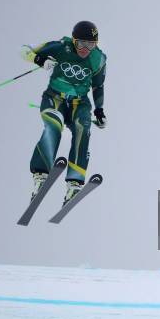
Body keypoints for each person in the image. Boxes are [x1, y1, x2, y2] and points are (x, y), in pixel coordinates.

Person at [21, 21, 107, 204]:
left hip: (79, 103)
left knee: (82, 128)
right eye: (81, 43)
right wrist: (39, 60)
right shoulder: (62, 47)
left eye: (91, 44)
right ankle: (40, 174)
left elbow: (98, 85)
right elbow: (25, 51)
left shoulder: (98, 58)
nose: (85, 49)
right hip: (55, 98)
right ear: (74, 40)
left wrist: (99, 111)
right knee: (54, 124)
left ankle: (75, 182)